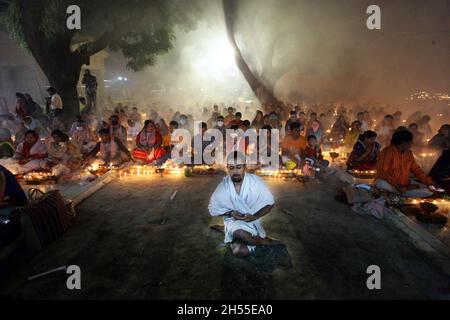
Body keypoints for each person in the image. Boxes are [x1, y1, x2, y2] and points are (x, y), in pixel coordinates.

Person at [208, 151, 282, 257]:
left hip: (252, 220)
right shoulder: (224, 186)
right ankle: (266, 242)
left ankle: (227, 231)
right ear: (227, 168)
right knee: (240, 238)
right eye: (231, 167)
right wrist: (230, 213)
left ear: (245, 167)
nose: (235, 171)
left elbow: (270, 203)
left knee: (240, 251)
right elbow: (212, 208)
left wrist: (254, 216)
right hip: (233, 221)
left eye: (238, 167)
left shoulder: (256, 182)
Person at [375, 130, 433, 198]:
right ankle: (398, 193)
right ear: (403, 143)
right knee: (381, 184)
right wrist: (397, 185)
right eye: (410, 142)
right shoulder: (387, 152)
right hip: (390, 184)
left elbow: (416, 169)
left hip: (404, 185)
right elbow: (382, 171)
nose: (412, 144)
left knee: (428, 191)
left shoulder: (408, 153)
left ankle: (399, 194)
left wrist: (429, 182)